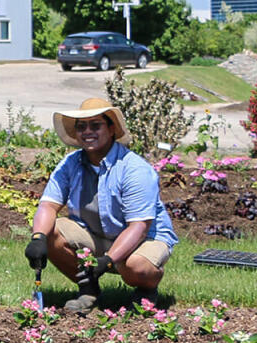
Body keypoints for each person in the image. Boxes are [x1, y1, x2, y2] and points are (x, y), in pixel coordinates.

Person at [25, 97, 177, 315]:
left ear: (112, 129)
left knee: (133, 266)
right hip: (97, 233)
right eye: (82, 126)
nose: (88, 131)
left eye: (95, 125)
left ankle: (147, 289)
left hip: (145, 238)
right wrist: (38, 238)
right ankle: (89, 289)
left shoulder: (134, 169)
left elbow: (139, 227)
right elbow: (48, 206)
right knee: (51, 232)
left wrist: (107, 261)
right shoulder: (70, 163)